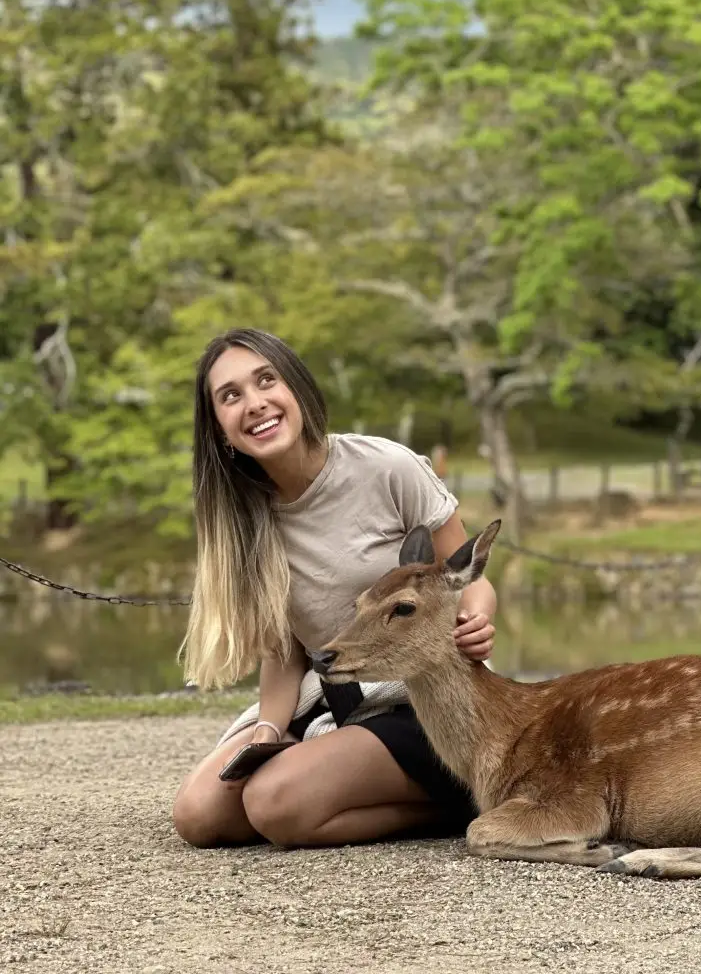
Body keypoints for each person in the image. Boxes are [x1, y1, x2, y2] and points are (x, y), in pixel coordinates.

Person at [171, 328, 497, 849]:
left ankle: (456, 801)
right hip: (332, 696)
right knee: (201, 817)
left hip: (419, 697)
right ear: (218, 428)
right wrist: (269, 732)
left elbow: (467, 578)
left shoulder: (386, 467)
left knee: (273, 806)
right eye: (230, 396)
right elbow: (286, 652)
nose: (254, 404)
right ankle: (392, 791)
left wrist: (474, 621)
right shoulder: (243, 521)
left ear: (296, 387)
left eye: (265, 381)